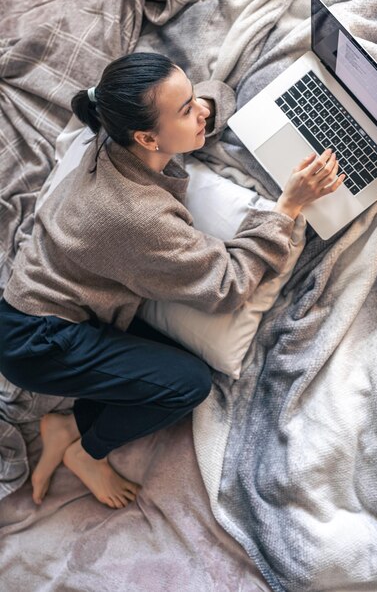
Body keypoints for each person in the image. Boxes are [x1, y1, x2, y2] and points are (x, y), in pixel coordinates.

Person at [0, 52, 344, 510]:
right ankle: (87, 451)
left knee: (170, 356)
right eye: (187, 110)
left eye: (191, 98)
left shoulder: (114, 130)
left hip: (51, 306)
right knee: (187, 382)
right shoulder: (136, 217)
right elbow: (228, 285)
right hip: (38, 343)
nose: (201, 108)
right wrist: (286, 209)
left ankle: (67, 424)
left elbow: (209, 97)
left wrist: (200, 110)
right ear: (147, 137)